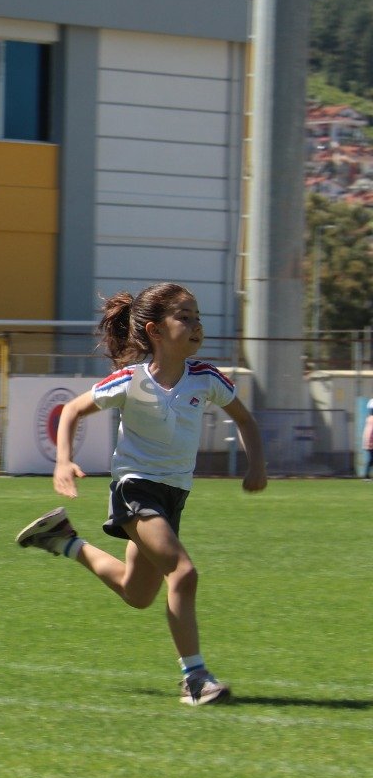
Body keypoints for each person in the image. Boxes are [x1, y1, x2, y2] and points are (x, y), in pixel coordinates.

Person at [15, 282, 266, 707]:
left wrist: (257, 464)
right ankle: (195, 678)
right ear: (153, 330)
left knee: (137, 593)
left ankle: (62, 539)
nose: (196, 325)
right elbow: (72, 410)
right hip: (135, 489)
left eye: (197, 316)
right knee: (183, 573)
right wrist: (62, 461)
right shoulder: (129, 381)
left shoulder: (205, 379)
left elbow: (245, 419)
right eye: (184, 317)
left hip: (172, 497)